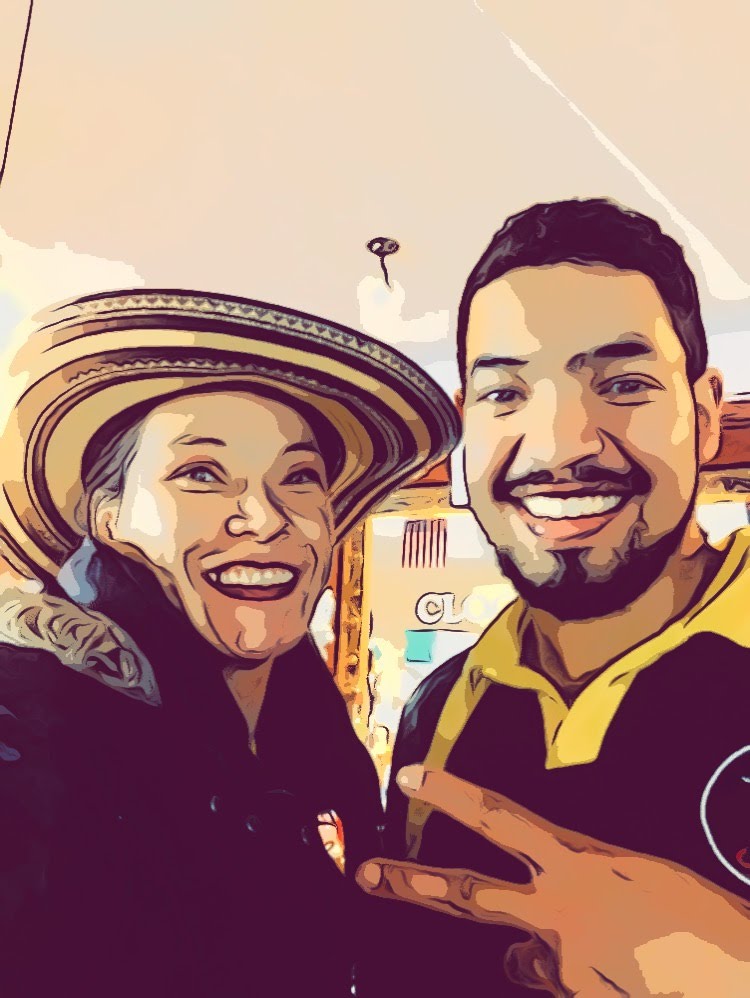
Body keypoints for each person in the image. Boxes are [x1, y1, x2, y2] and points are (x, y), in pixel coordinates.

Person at [0, 288, 460, 997]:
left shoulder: (302, 735)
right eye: (201, 475)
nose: (265, 517)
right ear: (109, 517)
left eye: (299, 478)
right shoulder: (34, 724)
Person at [357, 199, 750, 995]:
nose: (562, 444)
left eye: (624, 384)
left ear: (706, 416)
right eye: (505, 394)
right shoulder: (440, 709)